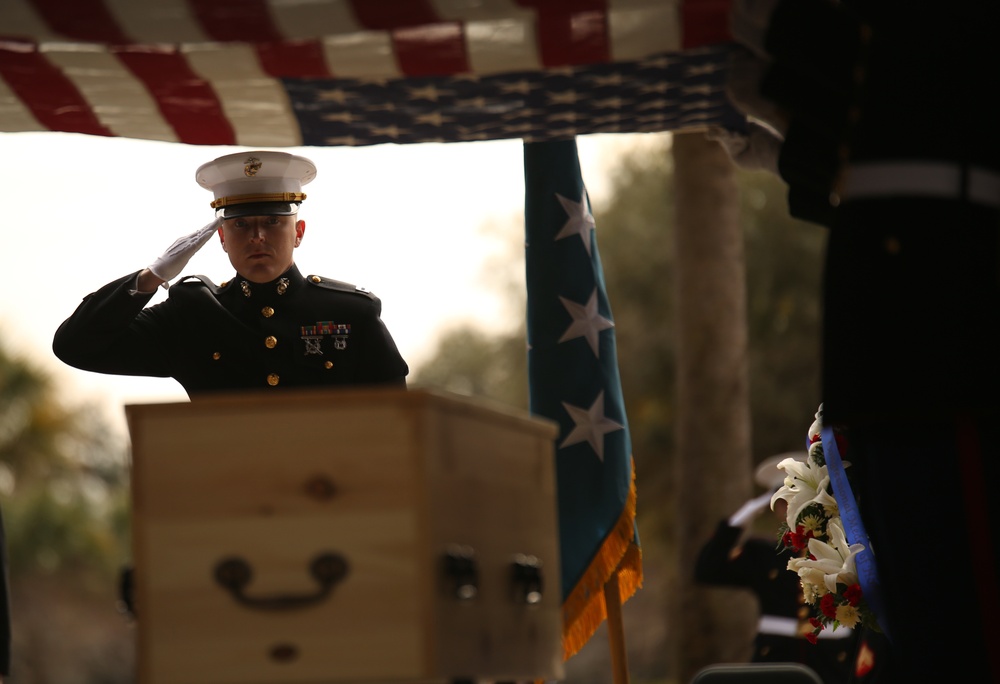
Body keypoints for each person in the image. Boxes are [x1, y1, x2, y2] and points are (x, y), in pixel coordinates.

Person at [714, 1, 1000, 680]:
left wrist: (790, 39)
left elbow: (925, 98)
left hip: (935, 347)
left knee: (956, 627)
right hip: (905, 348)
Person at [53, 150, 408, 394]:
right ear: (221, 238)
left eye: (272, 222)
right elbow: (75, 346)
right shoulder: (191, 314)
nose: (257, 236)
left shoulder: (350, 313)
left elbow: (396, 417)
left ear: (298, 233)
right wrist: (151, 277)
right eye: (240, 226)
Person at [694, 453, 882, 684]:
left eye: (802, 501)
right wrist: (742, 517)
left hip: (833, 659)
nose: (793, 510)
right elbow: (707, 569)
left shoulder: (847, 547)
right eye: (784, 502)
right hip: (774, 656)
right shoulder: (762, 554)